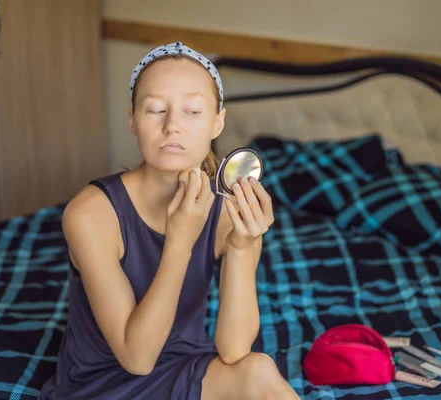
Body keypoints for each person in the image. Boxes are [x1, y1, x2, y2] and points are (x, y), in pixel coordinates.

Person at [40, 42, 300, 399]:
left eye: (192, 111)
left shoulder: (227, 209)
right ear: (132, 119)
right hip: (101, 382)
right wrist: (180, 243)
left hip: (182, 364)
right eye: (156, 109)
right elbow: (137, 358)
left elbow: (235, 351)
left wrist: (242, 247)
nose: (172, 126)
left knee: (258, 369)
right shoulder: (91, 213)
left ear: (217, 122)